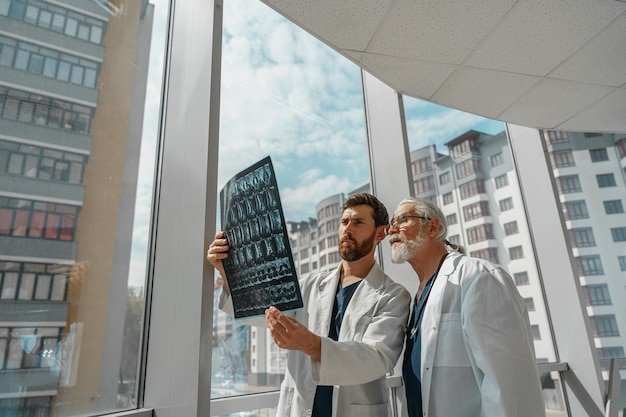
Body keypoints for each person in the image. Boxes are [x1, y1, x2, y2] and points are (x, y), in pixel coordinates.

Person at [207, 192, 410, 417]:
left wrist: (312, 345)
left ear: (380, 233)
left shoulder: (393, 296)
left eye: (358, 222)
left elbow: (376, 358)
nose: (347, 229)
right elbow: (262, 312)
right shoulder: (309, 284)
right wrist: (227, 273)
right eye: (344, 222)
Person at [388, 197, 545, 417]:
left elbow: (510, 383)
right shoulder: (417, 297)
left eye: (403, 220)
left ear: (432, 227)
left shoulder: (478, 276)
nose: (391, 229)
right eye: (391, 222)